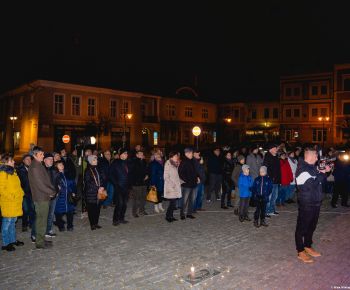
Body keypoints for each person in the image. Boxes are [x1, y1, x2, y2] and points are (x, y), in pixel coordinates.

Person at [295, 146, 330, 263]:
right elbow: (310, 185)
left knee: (312, 226)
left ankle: (307, 246)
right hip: (307, 202)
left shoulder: (312, 167)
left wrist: (324, 172)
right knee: (302, 228)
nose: (317, 157)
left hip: (315, 201)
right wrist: (322, 173)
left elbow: (321, 182)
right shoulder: (302, 169)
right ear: (309, 156)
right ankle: (300, 251)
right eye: (315, 155)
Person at [28, 146, 56, 249]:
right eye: (41, 154)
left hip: (43, 196)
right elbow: (40, 184)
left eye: (43, 154)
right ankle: (39, 242)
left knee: (42, 220)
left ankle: (41, 239)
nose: (43, 156)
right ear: (35, 155)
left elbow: (45, 180)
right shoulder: (35, 167)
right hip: (41, 198)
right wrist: (51, 192)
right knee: (41, 220)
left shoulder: (38, 164)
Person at [0, 154, 25, 252]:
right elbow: (1, 189)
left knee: (13, 223)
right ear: (6, 162)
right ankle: (6, 243)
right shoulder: (3, 173)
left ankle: (13, 240)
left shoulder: (12, 172)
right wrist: (11, 197)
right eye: (12, 161)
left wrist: (21, 193)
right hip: (9, 202)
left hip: (16, 202)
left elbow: (17, 186)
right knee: (7, 223)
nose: (14, 162)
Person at [17, 154, 36, 242]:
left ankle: (32, 223)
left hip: (32, 193)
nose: (29, 161)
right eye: (27, 159)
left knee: (32, 208)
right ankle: (24, 224)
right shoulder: (20, 170)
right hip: (24, 193)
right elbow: (23, 181)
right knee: (25, 209)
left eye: (30, 159)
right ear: (23, 161)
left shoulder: (32, 169)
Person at [84, 155, 105, 230]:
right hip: (91, 193)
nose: (96, 161)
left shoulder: (98, 168)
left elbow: (102, 178)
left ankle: (96, 223)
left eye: (96, 160)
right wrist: (97, 188)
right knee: (91, 209)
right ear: (90, 161)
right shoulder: (88, 170)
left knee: (97, 208)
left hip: (100, 192)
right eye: (94, 160)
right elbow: (88, 182)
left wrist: (102, 186)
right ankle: (92, 224)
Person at [54, 160, 76, 231]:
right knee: (58, 213)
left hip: (68, 196)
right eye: (59, 165)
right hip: (60, 197)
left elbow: (73, 183)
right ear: (56, 167)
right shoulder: (55, 175)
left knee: (70, 211)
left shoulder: (67, 174)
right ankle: (61, 226)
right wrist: (57, 188)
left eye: (62, 164)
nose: (62, 165)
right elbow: (52, 185)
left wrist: (73, 191)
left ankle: (70, 226)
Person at [110, 148, 130, 225]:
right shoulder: (115, 163)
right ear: (121, 155)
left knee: (124, 204)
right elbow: (110, 175)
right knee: (119, 203)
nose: (126, 155)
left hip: (126, 186)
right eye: (125, 153)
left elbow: (129, 174)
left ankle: (121, 218)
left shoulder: (127, 163)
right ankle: (115, 220)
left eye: (127, 154)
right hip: (119, 187)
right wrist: (116, 183)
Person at [178, 148, 198, 220]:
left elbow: (195, 171)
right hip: (187, 185)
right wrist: (186, 180)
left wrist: (197, 177)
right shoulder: (184, 161)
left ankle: (189, 213)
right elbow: (180, 173)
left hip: (193, 183)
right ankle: (182, 214)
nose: (192, 154)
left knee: (192, 200)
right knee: (185, 200)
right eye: (190, 153)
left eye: (192, 153)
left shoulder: (193, 161)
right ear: (186, 153)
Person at [263, 143, 281, 217]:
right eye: (274, 148)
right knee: (269, 196)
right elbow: (266, 168)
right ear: (270, 149)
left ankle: (271, 210)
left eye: (276, 148)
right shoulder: (267, 157)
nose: (276, 149)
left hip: (276, 180)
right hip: (270, 180)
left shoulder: (276, 156)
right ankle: (266, 211)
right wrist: (270, 177)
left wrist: (279, 178)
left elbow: (278, 169)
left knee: (275, 196)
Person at [43, 152, 58, 238]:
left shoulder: (54, 169)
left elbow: (57, 182)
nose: (51, 161)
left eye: (52, 159)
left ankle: (49, 230)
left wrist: (57, 190)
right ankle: (43, 230)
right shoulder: (42, 170)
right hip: (45, 196)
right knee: (44, 214)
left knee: (51, 214)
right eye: (49, 159)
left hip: (54, 195)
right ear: (45, 160)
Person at [130, 150, 149, 217]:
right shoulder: (134, 162)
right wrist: (140, 178)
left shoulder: (144, 161)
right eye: (140, 153)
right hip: (136, 183)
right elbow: (133, 173)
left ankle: (142, 210)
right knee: (136, 199)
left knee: (143, 198)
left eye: (142, 153)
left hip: (144, 183)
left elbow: (147, 170)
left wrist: (147, 174)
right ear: (137, 155)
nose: (141, 154)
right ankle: (134, 212)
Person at [164, 152, 182, 222]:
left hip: (175, 186)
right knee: (172, 203)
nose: (176, 157)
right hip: (171, 187)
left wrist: (181, 181)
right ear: (171, 157)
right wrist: (172, 184)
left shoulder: (175, 164)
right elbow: (166, 176)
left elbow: (176, 175)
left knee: (173, 203)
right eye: (175, 156)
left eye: (177, 156)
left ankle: (170, 216)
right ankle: (168, 216)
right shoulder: (168, 164)